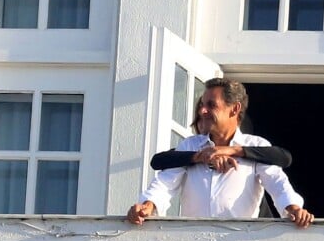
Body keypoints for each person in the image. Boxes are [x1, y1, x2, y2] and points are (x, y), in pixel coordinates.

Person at [127, 78, 313, 227]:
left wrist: (294, 209)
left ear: (235, 109)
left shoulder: (256, 145)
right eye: (202, 104)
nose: (202, 110)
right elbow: (165, 182)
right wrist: (147, 206)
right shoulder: (190, 145)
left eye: (211, 104)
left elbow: (277, 182)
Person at [150, 97, 292, 217]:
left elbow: (284, 159)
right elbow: (158, 161)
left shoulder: (256, 147)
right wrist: (202, 156)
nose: (204, 121)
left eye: (209, 116)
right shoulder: (189, 147)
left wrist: (233, 150)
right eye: (200, 119)